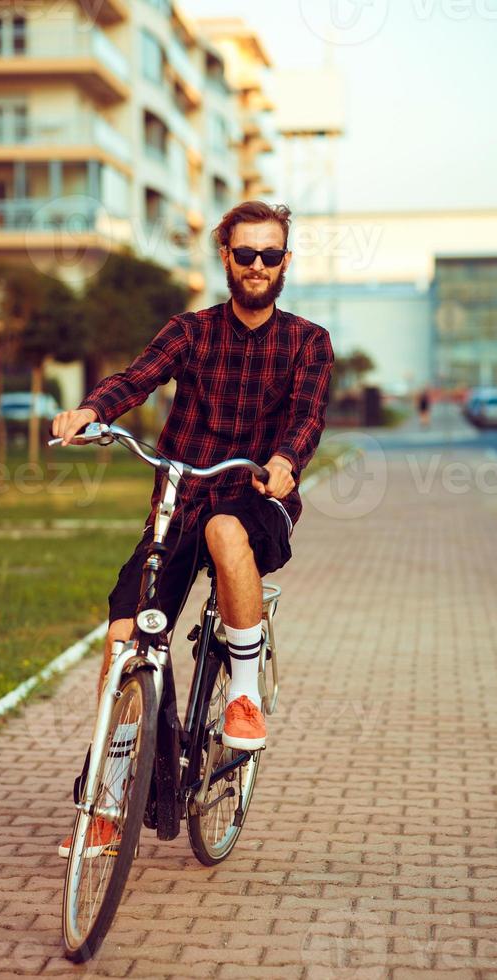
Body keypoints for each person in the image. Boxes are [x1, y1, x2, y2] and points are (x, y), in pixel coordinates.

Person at [51, 201, 334, 856]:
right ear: (226, 258)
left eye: (270, 254)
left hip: (256, 496)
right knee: (126, 636)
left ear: (284, 263)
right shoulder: (191, 331)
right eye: (245, 254)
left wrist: (287, 462)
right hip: (181, 498)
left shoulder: (308, 342)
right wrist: (91, 409)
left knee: (227, 533)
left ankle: (241, 700)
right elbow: (137, 378)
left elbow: (306, 417)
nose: (257, 265)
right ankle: (109, 800)